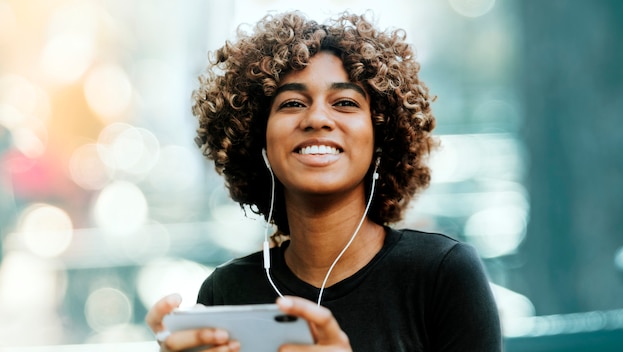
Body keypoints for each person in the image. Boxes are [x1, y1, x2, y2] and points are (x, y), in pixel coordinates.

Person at [146, 10, 502, 351]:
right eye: (291, 104)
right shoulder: (225, 292)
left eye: (345, 102)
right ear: (258, 139)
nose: (317, 118)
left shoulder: (442, 274)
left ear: (382, 137)